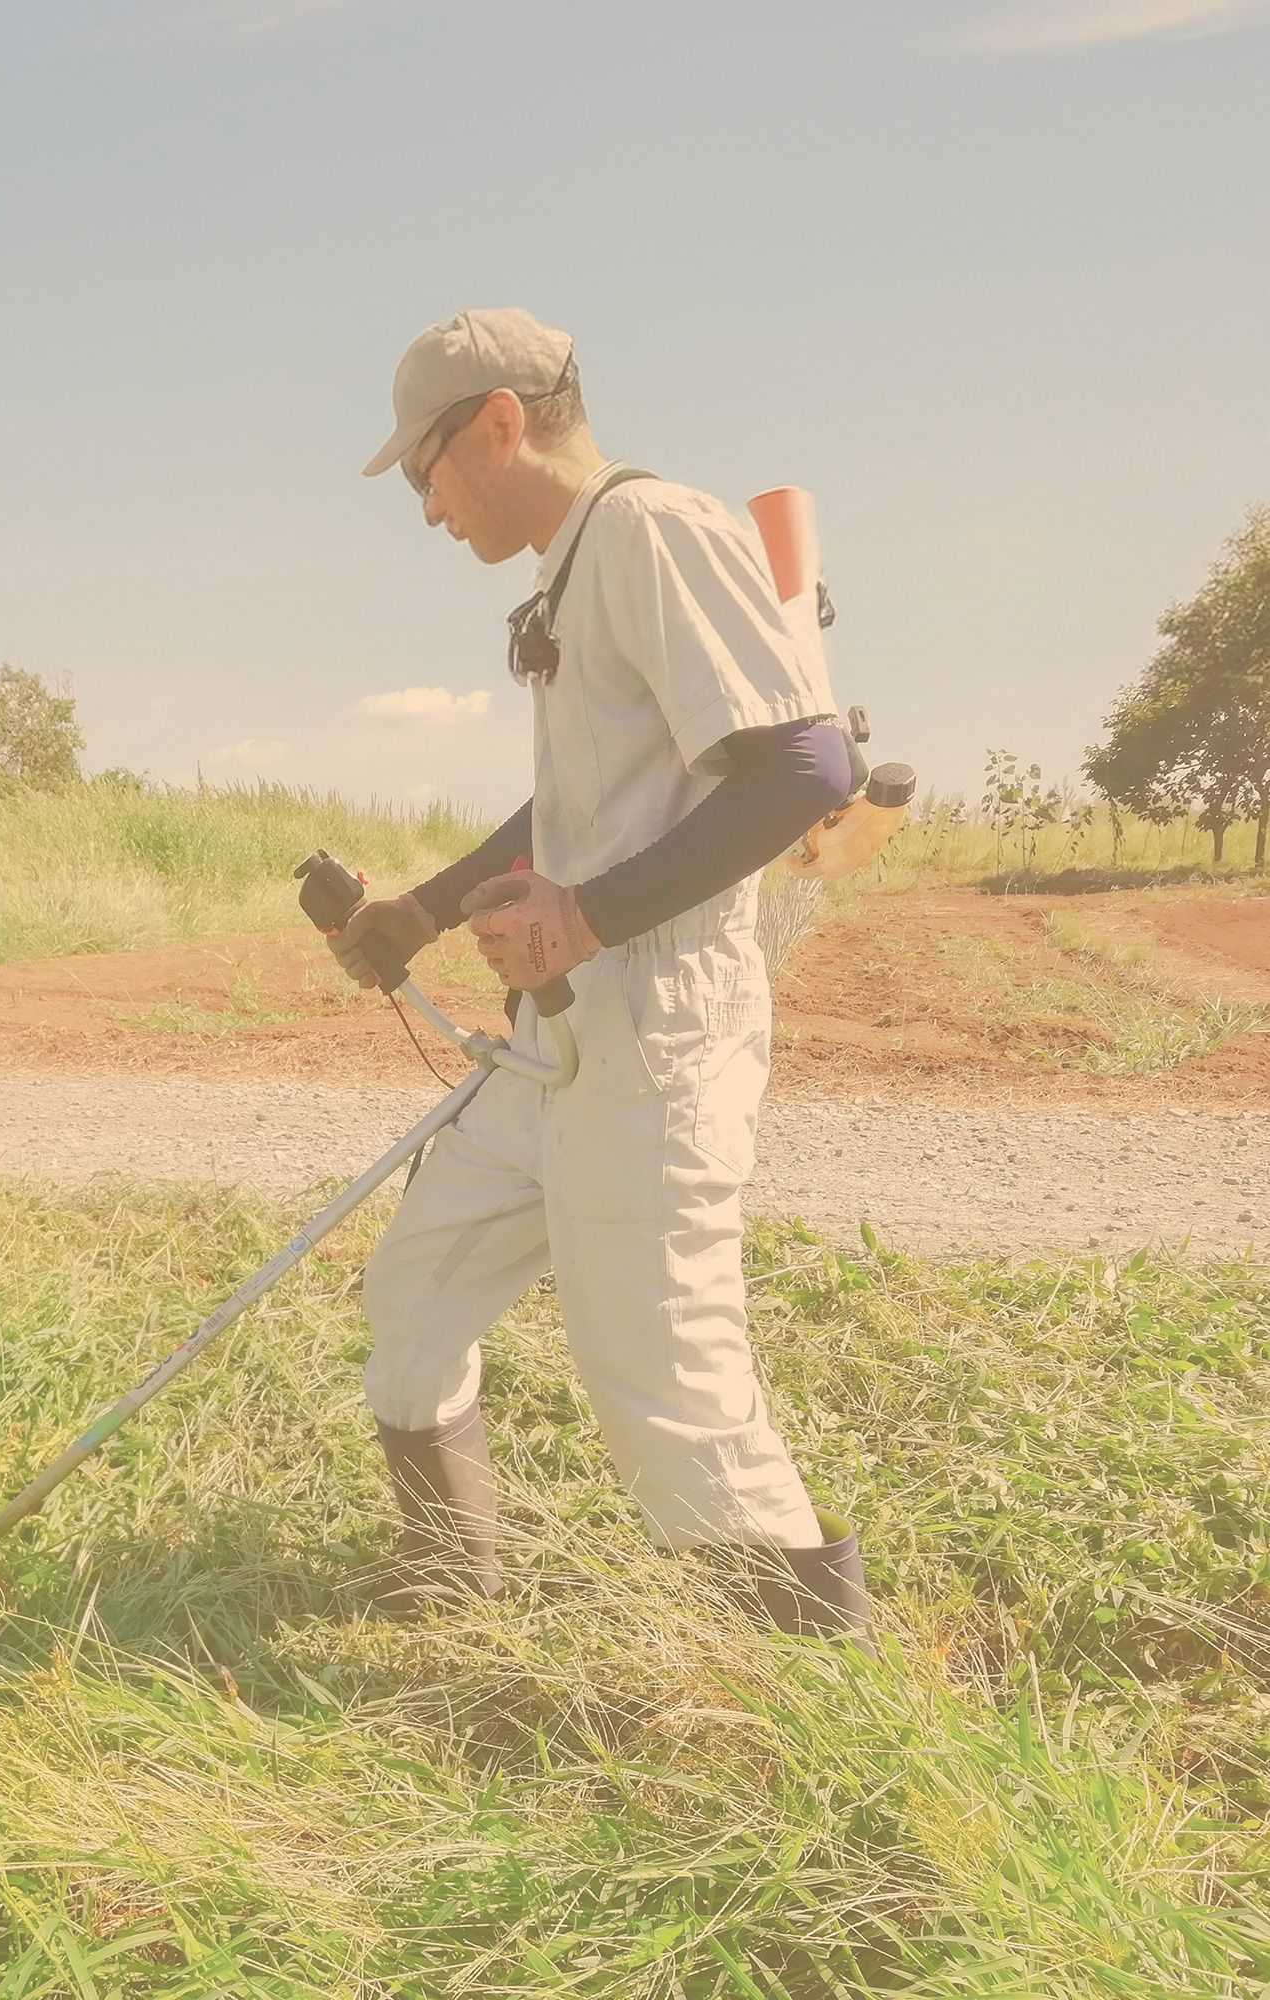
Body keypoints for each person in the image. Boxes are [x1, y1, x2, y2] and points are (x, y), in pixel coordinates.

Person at [335, 306, 874, 1649]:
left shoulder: (651, 530)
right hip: (560, 1031)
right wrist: (423, 912)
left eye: (424, 471)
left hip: (656, 1018)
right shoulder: (574, 570)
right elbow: (581, 801)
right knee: (418, 1291)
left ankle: (820, 1703)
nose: (428, 507)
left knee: (668, 1378)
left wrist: (584, 920)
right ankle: (452, 1590)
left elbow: (807, 767)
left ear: (497, 424)